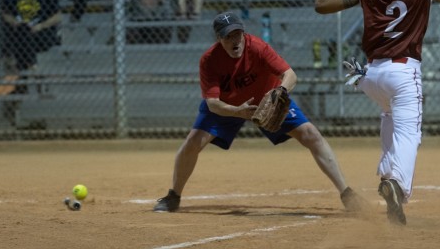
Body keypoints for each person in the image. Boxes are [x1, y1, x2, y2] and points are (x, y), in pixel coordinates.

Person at [314, 0, 440, 224]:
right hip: (403, 72)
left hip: (371, 75)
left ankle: (387, 178)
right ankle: (395, 184)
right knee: (408, 134)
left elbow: (322, 5)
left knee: (389, 119)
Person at [153, 12, 364, 213]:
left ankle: (347, 193)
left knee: (311, 135)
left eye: (238, 34)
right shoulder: (209, 60)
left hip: (268, 99)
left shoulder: (258, 47)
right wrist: (237, 111)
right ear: (219, 38)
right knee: (192, 142)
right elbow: (212, 103)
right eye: (228, 36)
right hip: (228, 105)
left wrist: (279, 92)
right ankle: (173, 196)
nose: (235, 40)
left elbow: (290, 74)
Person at [2, 0, 62, 92]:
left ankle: (23, 81)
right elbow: (5, 14)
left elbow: (58, 15)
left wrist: (40, 26)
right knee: (23, 31)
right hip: (22, 32)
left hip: (43, 34)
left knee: (21, 39)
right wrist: (16, 22)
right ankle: (34, 68)